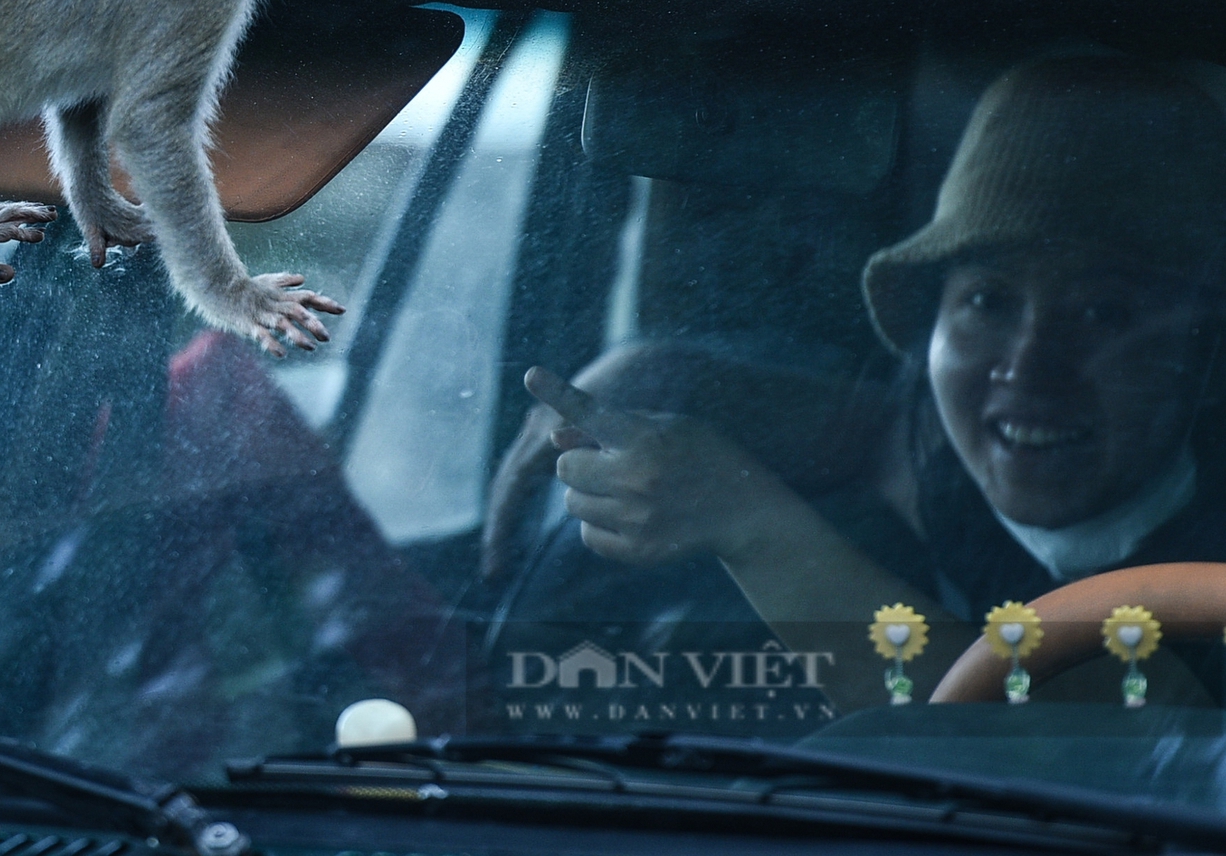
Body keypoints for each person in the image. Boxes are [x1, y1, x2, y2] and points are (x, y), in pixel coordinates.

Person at [501, 54, 1226, 707]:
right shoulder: (940, 455)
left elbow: (1090, 743)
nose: (1029, 365)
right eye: (987, 300)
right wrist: (658, 371)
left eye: (1105, 311)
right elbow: (871, 429)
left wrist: (748, 524)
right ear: (932, 319)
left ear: (1204, 349)